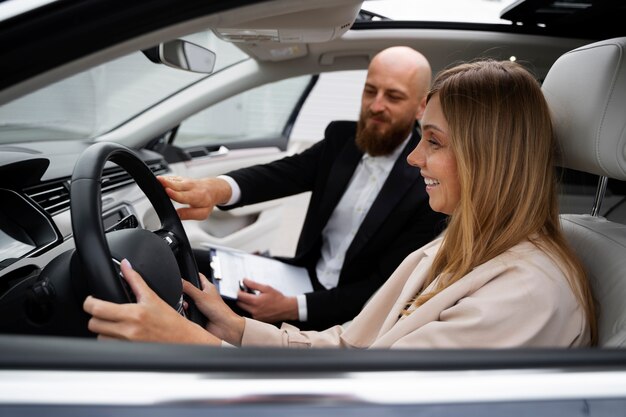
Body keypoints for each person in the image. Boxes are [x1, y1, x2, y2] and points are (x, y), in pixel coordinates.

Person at [83, 59, 597, 348]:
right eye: (369, 90)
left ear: (492, 156)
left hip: (328, 324)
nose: (416, 158)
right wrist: (235, 328)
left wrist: (193, 345)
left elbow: (364, 399)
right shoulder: (460, 244)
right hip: (317, 317)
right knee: (196, 268)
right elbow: (352, 349)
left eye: (434, 141)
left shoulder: (527, 292)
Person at [156, 46, 447, 330]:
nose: (375, 106)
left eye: (393, 97)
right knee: (178, 257)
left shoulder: (428, 183)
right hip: (299, 275)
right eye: (370, 91)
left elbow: (384, 288)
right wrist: (215, 189)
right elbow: (280, 175)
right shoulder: (342, 139)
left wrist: (293, 306)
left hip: (348, 316)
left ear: (422, 106)